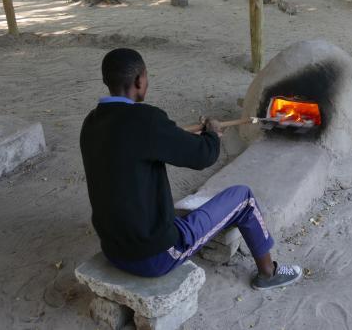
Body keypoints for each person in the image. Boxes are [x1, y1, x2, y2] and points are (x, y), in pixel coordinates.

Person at [80, 48, 302, 290]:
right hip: (156, 257)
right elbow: (203, 156)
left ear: (106, 81)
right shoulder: (147, 121)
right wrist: (213, 135)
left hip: (113, 249)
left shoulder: (91, 123)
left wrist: (185, 133)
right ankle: (269, 273)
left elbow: (154, 139)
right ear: (139, 80)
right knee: (244, 198)